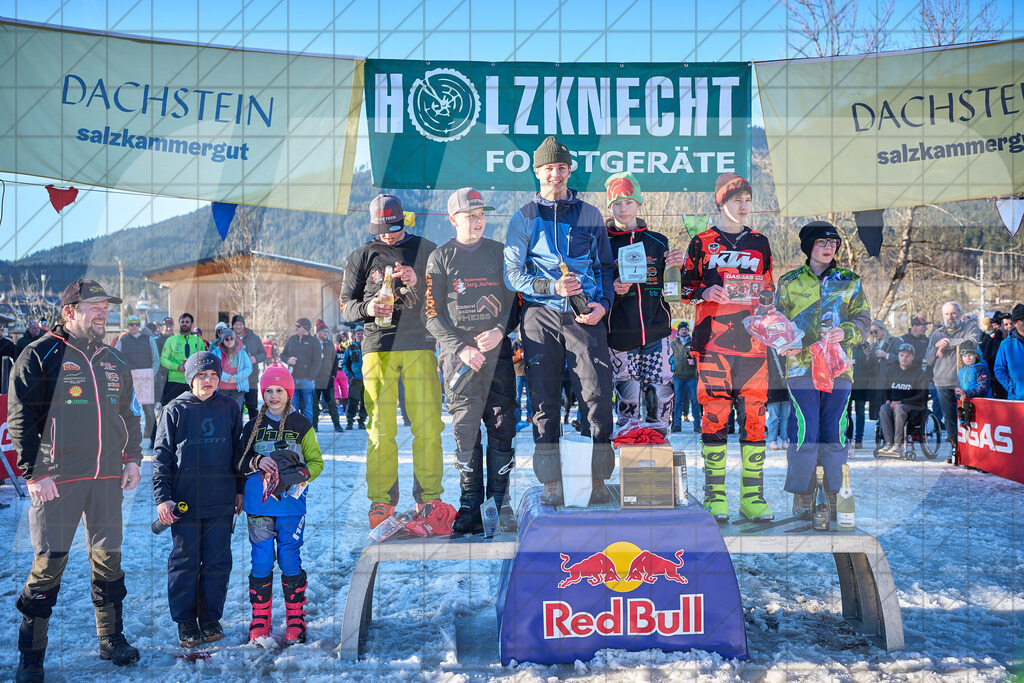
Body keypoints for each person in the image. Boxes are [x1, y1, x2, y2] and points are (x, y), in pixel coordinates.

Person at [10, 280, 142, 680]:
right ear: (69, 311)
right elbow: (21, 421)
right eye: (94, 307)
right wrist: (34, 472)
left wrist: (133, 458)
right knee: (48, 566)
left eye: (106, 307)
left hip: (107, 477)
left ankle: (111, 639)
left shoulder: (114, 360)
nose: (103, 313)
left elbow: (130, 414)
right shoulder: (39, 355)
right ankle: (31, 656)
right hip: (58, 480)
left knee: (109, 561)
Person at [503, 136, 616, 507]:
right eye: (548, 168)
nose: (555, 174)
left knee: (596, 395)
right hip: (540, 313)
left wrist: (602, 305)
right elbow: (512, 275)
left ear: (570, 171)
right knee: (543, 399)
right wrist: (550, 284)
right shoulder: (523, 217)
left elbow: (605, 267)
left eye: (561, 167)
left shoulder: (590, 214)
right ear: (537, 172)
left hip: (585, 315)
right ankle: (551, 480)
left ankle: (597, 477)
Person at [339, 193, 444, 527]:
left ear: (404, 221)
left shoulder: (427, 248)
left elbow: (446, 295)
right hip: (377, 348)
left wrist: (420, 283)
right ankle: (381, 502)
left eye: (395, 228)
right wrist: (368, 308)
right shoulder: (361, 256)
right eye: (382, 229)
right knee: (380, 430)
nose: (389, 234)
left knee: (428, 425)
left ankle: (429, 498)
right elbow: (346, 305)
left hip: (419, 344)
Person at [678, 172, 775, 521]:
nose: (744, 206)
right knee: (714, 416)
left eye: (748, 200)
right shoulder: (701, 242)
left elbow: (768, 288)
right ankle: (714, 495)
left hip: (752, 346)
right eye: (737, 200)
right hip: (712, 343)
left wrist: (766, 302)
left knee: (756, 421)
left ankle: (753, 498)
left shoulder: (760, 242)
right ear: (721, 203)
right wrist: (705, 291)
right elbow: (684, 288)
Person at [424, 187, 519, 533]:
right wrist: (460, 348)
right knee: (465, 432)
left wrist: (498, 330)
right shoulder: (441, 257)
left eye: (482, 215)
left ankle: (497, 504)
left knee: (502, 426)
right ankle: (469, 506)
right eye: (470, 215)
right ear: (453, 219)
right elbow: (431, 314)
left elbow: (515, 305)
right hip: (460, 362)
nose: (478, 221)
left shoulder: (499, 252)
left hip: (499, 359)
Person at [776, 222, 870, 518]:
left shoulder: (850, 280)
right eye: (822, 243)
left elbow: (864, 320)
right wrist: (783, 344)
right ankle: (803, 496)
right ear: (808, 246)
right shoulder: (789, 281)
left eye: (834, 243)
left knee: (834, 433)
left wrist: (848, 332)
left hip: (838, 369)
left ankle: (833, 495)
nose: (829, 248)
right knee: (805, 431)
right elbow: (776, 323)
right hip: (801, 368)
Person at [153, 352, 243, 648]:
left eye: (213, 376)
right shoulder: (174, 409)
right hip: (185, 503)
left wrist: (239, 490)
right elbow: (162, 457)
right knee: (185, 562)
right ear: (191, 378)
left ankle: (210, 617)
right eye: (202, 375)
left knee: (218, 562)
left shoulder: (230, 408)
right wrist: (163, 498)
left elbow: (238, 456)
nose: (208, 381)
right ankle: (186, 621)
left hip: (221, 501)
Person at [236, 366, 323, 644]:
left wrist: (299, 475)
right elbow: (237, 462)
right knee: (261, 560)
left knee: (288, 558)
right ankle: (260, 619)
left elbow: (316, 462)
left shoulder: (302, 424)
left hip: (290, 506)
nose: (274, 396)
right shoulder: (252, 426)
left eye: (279, 391)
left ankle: (295, 619)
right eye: (269, 391)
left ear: (289, 393)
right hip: (258, 505)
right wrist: (258, 461)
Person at [603, 171, 682, 427]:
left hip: (656, 333)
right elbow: (593, 283)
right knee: (628, 402)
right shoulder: (601, 242)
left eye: (628, 202)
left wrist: (676, 266)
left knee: (660, 397)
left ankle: (658, 450)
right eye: (617, 203)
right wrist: (612, 287)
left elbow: (670, 285)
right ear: (609, 206)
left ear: (638, 203)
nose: (623, 209)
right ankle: (630, 453)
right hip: (619, 336)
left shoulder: (658, 241)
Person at [926, 302, 981, 449]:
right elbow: (929, 359)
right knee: (949, 419)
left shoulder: (970, 327)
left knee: (968, 417)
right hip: (942, 382)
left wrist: (948, 343)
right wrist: (937, 346)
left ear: (959, 314)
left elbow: (972, 342)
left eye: (953, 313)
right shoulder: (936, 334)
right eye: (947, 314)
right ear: (943, 315)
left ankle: (971, 451)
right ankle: (955, 451)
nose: (950, 317)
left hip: (965, 383)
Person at [115, 315, 159, 447]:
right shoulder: (122, 341)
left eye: (136, 324)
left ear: (139, 325)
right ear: (128, 327)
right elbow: (117, 360)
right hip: (130, 383)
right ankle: (128, 442)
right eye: (131, 324)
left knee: (150, 413)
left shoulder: (149, 339)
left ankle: (154, 441)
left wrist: (151, 374)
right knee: (128, 413)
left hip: (146, 383)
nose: (134, 327)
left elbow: (156, 359)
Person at [877, 344, 929, 456]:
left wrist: (901, 402)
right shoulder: (891, 370)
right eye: (902, 355)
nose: (904, 358)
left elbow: (923, 395)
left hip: (914, 404)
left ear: (913, 357)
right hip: (895, 403)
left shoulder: (919, 372)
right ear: (898, 356)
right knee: (883, 408)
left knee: (899, 409)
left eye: (907, 356)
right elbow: (886, 388)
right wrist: (887, 400)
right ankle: (888, 444)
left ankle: (897, 445)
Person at [282, 318, 322, 424]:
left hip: (306, 381)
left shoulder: (314, 342)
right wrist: (288, 359)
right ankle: (295, 433)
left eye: (298, 326)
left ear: (305, 328)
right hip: (292, 380)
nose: (296, 328)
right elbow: (283, 355)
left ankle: (307, 434)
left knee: (307, 410)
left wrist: (310, 377)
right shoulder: (292, 340)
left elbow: (317, 361)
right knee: (293, 410)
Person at [159, 312, 201, 408]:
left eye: (187, 322)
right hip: (174, 380)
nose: (184, 324)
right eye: (182, 322)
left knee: (192, 409)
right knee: (172, 408)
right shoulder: (171, 340)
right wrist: (176, 367)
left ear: (191, 324)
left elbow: (202, 359)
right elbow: (163, 359)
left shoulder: (198, 341)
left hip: (192, 381)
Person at [232, 315, 267, 421]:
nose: (238, 327)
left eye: (240, 324)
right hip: (235, 380)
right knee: (237, 409)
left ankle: (254, 432)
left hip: (251, 379)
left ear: (244, 325)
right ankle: (236, 433)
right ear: (232, 325)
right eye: (236, 324)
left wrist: (255, 358)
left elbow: (263, 354)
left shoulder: (254, 338)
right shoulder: (228, 337)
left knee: (252, 407)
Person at [312, 319, 343, 432]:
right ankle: (314, 425)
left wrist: (333, 376)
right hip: (314, 379)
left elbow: (335, 361)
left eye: (326, 331)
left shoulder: (329, 344)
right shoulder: (311, 343)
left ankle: (337, 425)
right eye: (324, 331)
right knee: (314, 404)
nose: (326, 333)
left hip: (327, 379)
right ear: (318, 332)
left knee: (332, 403)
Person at [211, 328, 253, 407]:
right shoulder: (216, 352)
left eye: (232, 338)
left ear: (235, 339)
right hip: (221, 389)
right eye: (226, 339)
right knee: (222, 414)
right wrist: (227, 377)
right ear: (223, 340)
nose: (229, 341)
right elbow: (213, 368)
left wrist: (236, 378)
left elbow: (248, 368)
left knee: (235, 414)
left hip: (238, 389)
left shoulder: (242, 352)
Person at [670, 322, 699, 432]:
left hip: (692, 376)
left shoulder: (693, 342)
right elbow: (669, 359)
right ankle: (677, 424)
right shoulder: (673, 343)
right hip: (678, 376)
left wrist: (694, 362)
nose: (684, 331)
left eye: (685, 329)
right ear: (678, 331)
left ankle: (697, 425)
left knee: (695, 401)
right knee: (677, 401)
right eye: (682, 329)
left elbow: (698, 357)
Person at [994, 303, 1024, 401]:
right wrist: (1012, 388)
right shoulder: (1006, 345)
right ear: (1015, 323)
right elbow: (999, 370)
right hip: (1017, 398)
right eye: (1022, 320)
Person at [765, 348, 790, 451]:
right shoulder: (768, 348)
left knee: (784, 417)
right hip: (774, 387)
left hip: (782, 387)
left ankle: (782, 440)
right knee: (777, 417)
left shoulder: (785, 345)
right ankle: (774, 440)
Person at [342, 327, 367, 430]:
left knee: (365, 402)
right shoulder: (350, 348)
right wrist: (350, 375)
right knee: (353, 401)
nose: (360, 335)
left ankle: (362, 421)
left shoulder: (368, 347)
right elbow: (345, 364)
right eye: (358, 334)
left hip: (367, 380)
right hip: (355, 379)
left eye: (362, 333)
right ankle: (350, 421)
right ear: (355, 335)